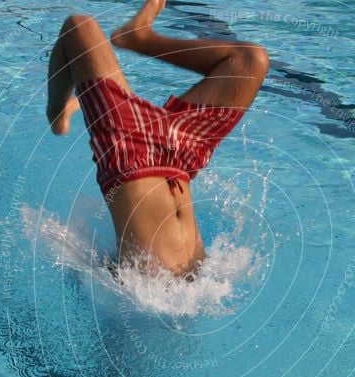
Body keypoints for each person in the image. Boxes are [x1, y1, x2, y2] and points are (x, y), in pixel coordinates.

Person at [46, 0, 268, 278]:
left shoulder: (138, 293)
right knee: (252, 60)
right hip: (183, 155)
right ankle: (141, 40)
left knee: (78, 27)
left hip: (129, 158)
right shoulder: (181, 296)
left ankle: (58, 112)